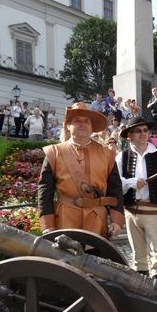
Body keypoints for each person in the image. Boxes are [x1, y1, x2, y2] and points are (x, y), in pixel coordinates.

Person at [37, 102, 124, 238]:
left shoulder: (107, 154)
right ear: (68, 125)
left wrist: (116, 221)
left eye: (86, 121)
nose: (82, 124)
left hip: (97, 221)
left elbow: (115, 189)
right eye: (77, 121)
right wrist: (48, 225)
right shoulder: (54, 152)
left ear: (92, 127)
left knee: (97, 259)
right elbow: (45, 190)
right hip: (65, 221)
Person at [116, 116, 157, 281]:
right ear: (129, 135)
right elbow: (115, 183)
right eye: (138, 131)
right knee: (138, 257)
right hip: (131, 212)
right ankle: (142, 293)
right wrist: (131, 183)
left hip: (154, 212)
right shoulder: (122, 157)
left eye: (145, 130)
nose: (143, 134)